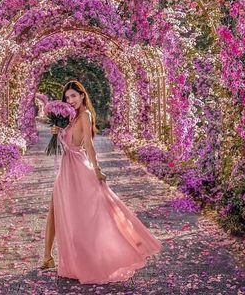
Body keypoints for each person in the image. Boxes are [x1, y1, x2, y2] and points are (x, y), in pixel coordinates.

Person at [39, 79, 162, 284]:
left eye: (74, 96)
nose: (71, 100)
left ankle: (115, 251)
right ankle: (47, 257)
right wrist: (57, 131)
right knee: (55, 209)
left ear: (82, 95)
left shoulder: (85, 115)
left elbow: (87, 143)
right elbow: (67, 141)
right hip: (66, 167)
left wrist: (97, 169)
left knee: (94, 210)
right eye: (68, 97)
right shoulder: (70, 117)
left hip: (78, 166)